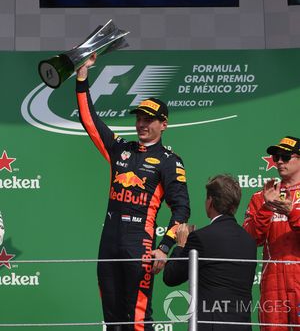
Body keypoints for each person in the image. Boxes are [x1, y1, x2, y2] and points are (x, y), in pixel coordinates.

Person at [76, 53, 190, 331]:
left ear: (164, 124)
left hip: (139, 244)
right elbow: (90, 121)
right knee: (112, 321)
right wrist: (82, 78)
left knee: (137, 319)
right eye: (139, 118)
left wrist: (164, 247)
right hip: (109, 242)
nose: (142, 124)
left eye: (149, 119)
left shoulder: (168, 161)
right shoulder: (120, 150)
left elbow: (182, 209)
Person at [163, 174, 257, 331]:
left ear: (211, 201)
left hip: (211, 325)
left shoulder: (200, 238)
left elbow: (171, 277)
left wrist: (180, 244)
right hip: (242, 325)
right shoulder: (249, 241)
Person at [243, 136, 300, 331]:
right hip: (272, 284)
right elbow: (250, 239)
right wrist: (267, 207)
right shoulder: (262, 196)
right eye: (276, 157)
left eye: (285, 156)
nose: (280, 162)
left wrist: (291, 212)